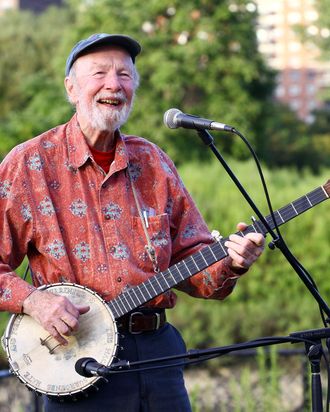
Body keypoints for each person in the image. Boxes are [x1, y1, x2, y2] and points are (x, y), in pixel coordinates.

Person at [0, 33, 265, 411]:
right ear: (71, 88)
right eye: (100, 73)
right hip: (74, 357)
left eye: (124, 75)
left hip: (158, 358)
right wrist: (35, 301)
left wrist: (233, 261)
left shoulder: (154, 162)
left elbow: (195, 264)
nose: (114, 84)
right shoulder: (28, 165)